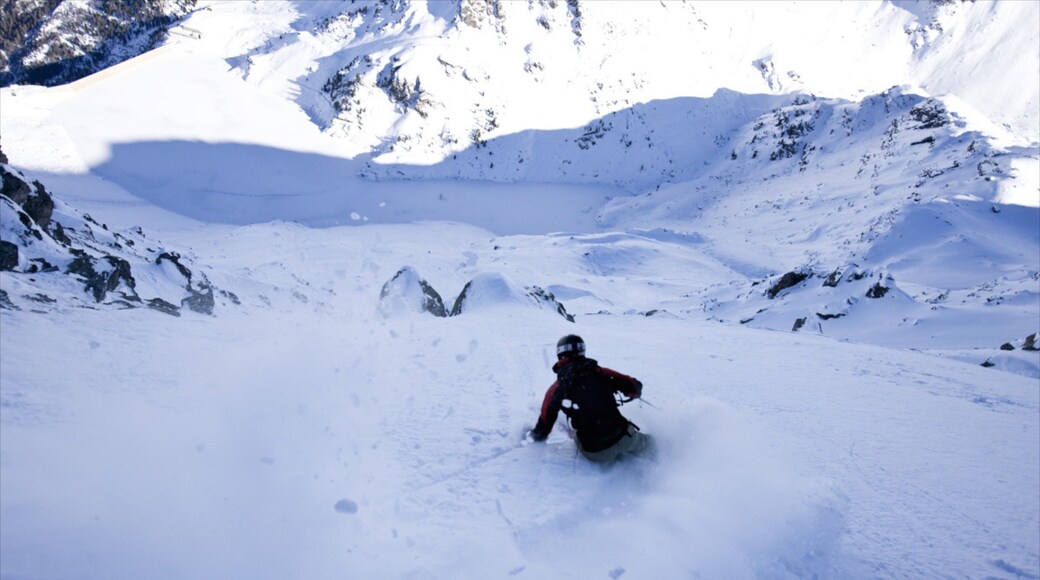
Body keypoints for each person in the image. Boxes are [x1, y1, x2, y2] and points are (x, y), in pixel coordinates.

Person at [528, 334, 650, 462]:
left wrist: (533, 435)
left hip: (597, 452)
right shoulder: (600, 372)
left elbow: (542, 429)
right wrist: (631, 392)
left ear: (560, 355)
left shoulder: (556, 388)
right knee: (647, 444)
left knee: (578, 433)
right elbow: (633, 386)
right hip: (625, 437)